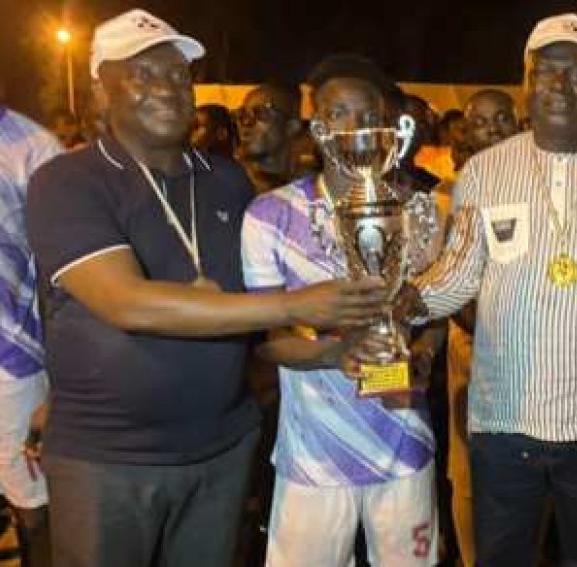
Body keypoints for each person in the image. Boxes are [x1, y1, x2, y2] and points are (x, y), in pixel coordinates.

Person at [25, 11, 388, 567]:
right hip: (110, 461)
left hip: (222, 450)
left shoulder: (226, 179)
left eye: (178, 74)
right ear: (102, 91)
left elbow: (257, 317)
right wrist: (295, 304)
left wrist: (337, 344)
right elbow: (125, 301)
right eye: (143, 74)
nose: (168, 87)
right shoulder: (68, 180)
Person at [408, 13, 577, 565]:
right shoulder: (484, 173)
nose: (562, 85)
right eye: (549, 71)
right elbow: (458, 273)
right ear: (528, 81)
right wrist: (407, 301)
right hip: (502, 420)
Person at [241, 53, 440, 567]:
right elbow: (268, 341)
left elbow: (430, 320)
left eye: (365, 113)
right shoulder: (270, 215)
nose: (353, 126)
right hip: (315, 457)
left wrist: (423, 350)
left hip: (403, 443)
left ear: (387, 124)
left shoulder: (418, 209)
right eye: (336, 112)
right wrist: (336, 353)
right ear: (316, 125)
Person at [442, 87, 518, 567]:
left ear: (519, 124)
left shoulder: (544, 183)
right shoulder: (449, 195)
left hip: (536, 351)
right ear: (465, 132)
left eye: (502, 119)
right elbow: (442, 280)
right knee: (470, 474)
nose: (492, 130)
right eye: (480, 122)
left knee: (531, 466)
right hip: (472, 346)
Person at [0, 106, 62, 566]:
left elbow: (62, 272)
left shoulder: (34, 146)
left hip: (12, 355)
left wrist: (61, 381)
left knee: (32, 502)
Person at [236, 83, 302, 193]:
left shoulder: (312, 190)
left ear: (292, 126)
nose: (246, 123)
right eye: (242, 115)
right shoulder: (229, 184)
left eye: (261, 113)